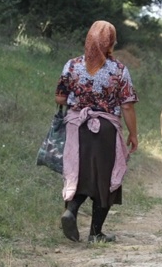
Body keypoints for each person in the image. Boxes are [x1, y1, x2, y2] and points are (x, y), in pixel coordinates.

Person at [55, 20, 138, 243]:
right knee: (105, 178)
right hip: (105, 131)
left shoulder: (71, 65)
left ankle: (71, 211)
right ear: (110, 42)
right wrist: (133, 134)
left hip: (76, 128)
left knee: (79, 172)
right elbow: (127, 105)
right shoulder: (118, 70)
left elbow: (60, 98)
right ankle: (96, 233)